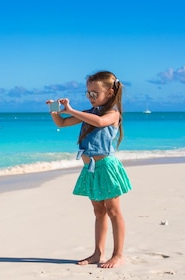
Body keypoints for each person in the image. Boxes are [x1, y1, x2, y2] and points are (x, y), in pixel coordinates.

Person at [47, 71, 132, 268]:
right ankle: (98, 253)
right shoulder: (90, 113)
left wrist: (72, 109)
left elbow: (100, 123)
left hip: (106, 168)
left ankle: (118, 254)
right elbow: (62, 122)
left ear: (110, 93)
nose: (90, 97)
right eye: (88, 93)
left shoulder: (112, 114)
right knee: (98, 211)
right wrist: (54, 110)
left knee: (113, 211)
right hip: (91, 169)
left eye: (94, 93)